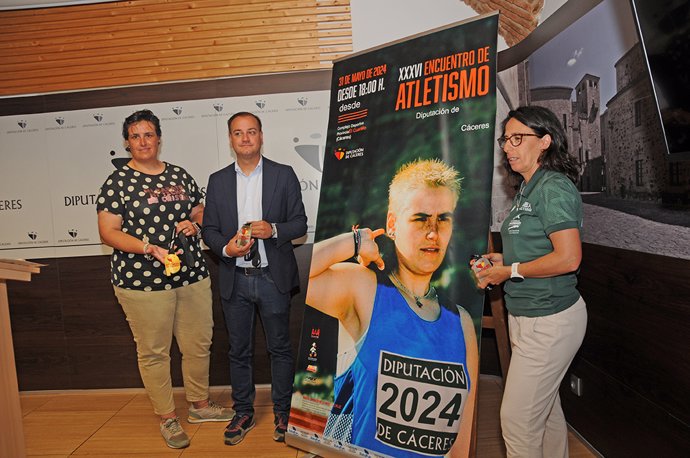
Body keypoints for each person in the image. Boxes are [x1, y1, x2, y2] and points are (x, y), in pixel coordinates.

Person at [306, 159, 479, 458]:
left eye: (443, 220)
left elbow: (459, 445)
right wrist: (356, 241)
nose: (432, 233)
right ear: (392, 225)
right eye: (420, 218)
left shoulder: (461, 323)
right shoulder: (363, 287)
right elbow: (284, 274)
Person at [96, 109, 234, 450]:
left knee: (198, 343)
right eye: (135, 136)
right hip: (141, 281)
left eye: (148, 134)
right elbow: (108, 232)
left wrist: (196, 223)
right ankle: (167, 417)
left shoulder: (179, 175)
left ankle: (200, 406)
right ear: (127, 143)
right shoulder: (117, 183)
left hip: (190, 273)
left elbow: (198, 208)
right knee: (155, 352)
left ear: (159, 138)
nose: (143, 141)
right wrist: (148, 248)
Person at [474, 105, 587, 458]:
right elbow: (537, 250)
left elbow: (568, 258)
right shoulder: (527, 188)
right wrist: (503, 261)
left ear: (545, 141)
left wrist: (510, 271)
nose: (508, 147)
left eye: (518, 138)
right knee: (546, 415)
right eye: (505, 139)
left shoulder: (553, 187)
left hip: (550, 319)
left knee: (517, 422)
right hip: (526, 316)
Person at [202, 111, 307, 446]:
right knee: (239, 350)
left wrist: (273, 229)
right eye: (238, 133)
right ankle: (243, 411)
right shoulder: (217, 180)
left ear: (261, 136)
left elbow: (300, 224)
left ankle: (283, 411)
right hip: (235, 277)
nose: (245, 138)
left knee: (280, 348)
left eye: (251, 132)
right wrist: (227, 248)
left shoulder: (284, 174)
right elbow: (209, 231)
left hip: (272, 278)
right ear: (230, 140)